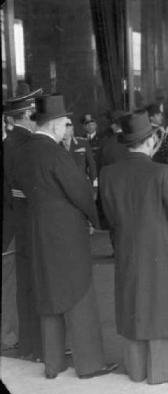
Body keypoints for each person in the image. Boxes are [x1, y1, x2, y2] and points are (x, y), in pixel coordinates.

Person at [14, 94, 117, 379]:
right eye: (66, 123)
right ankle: (90, 364)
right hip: (66, 234)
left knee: (49, 295)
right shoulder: (57, 153)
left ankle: (53, 363)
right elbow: (80, 191)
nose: (66, 128)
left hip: (37, 230)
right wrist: (95, 219)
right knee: (79, 292)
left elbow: (18, 186)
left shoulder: (24, 151)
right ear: (57, 125)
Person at [100, 112, 168, 384]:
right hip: (159, 248)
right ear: (150, 141)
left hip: (125, 246)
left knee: (131, 303)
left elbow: (108, 217)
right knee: (161, 306)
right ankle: (161, 372)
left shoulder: (108, 173)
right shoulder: (162, 172)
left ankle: (136, 370)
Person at [2, 88, 43, 362]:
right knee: (16, 282)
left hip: (9, 223)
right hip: (19, 224)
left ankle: (12, 335)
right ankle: (11, 336)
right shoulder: (27, 145)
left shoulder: (9, 143)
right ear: (27, 115)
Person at [62, 117, 97, 186]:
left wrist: (94, 184)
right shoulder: (56, 145)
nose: (64, 131)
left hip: (82, 182)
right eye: (62, 128)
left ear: (72, 129)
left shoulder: (82, 142)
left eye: (67, 128)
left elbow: (91, 164)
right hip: (65, 183)